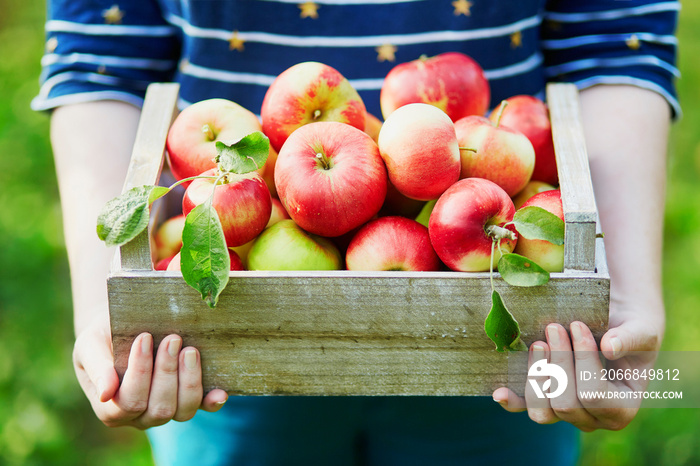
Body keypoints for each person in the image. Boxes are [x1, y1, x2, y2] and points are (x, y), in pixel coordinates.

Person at [33, 0, 679, 464]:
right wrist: (108, 306)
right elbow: (103, 59)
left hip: (501, 325)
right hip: (225, 330)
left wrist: (620, 296)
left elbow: (613, 37)